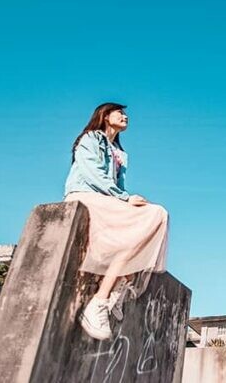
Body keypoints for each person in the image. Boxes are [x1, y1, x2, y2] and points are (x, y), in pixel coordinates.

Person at [64, 102, 168, 340]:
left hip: (107, 199)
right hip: (85, 195)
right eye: (120, 112)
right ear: (105, 115)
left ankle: (115, 289)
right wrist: (124, 198)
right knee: (153, 215)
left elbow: (118, 185)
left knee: (156, 217)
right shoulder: (90, 139)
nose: (125, 116)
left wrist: (125, 198)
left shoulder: (119, 153)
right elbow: (93, 174)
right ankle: (98, 303)